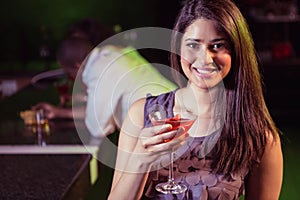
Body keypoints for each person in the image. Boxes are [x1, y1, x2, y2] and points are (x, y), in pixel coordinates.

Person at [108, 0, 283, 199]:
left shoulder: (260, 137)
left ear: (236, 51)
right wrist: (141, 159)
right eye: (193, 45)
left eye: (217, 46)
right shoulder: (141, 114)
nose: (205, 59)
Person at [34, 36, 177, 138]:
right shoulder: (111, 52)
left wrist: (61, 111)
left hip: (166, 124)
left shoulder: (98, 69)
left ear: (77, 66)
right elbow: (101, 112)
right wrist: (59, 112)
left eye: (68, 73)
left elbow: (97, 128)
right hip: (178, 108)